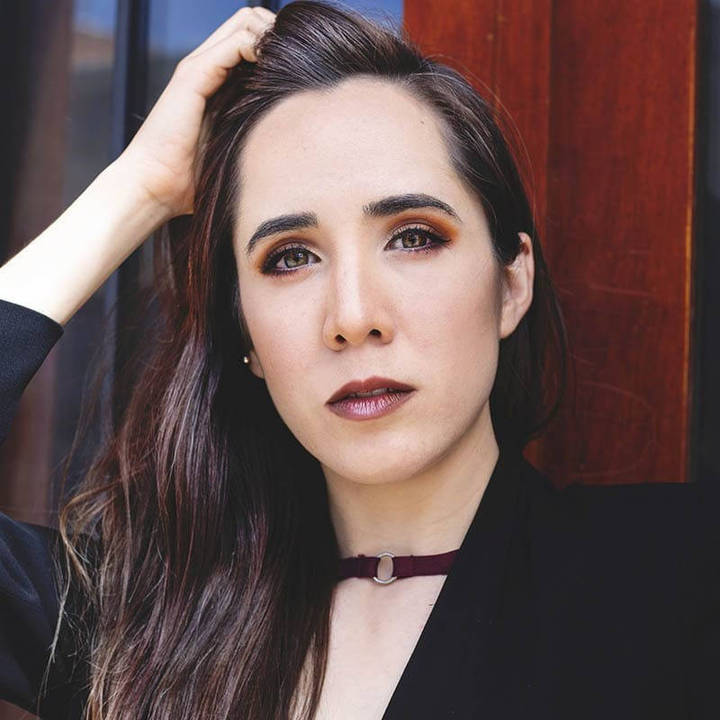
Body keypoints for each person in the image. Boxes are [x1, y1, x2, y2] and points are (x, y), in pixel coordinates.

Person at [0, 1, 718, 718]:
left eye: (414, 237)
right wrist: (141, 187)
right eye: (290, 257)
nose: (352, 317)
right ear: (243, 332)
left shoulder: (673, 578)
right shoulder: (137, 626)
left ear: (510, 284)